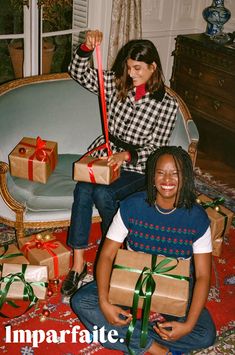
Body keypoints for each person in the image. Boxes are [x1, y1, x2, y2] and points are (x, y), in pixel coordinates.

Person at [61, 30, 179, 296]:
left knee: (103, 192)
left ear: (153, 67)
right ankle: (78, 264)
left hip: (138, 166)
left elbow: (158, 150)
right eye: (128, 67)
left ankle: (111, 253)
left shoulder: (166, 105)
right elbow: (77, 71)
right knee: (83, 188)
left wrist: (126, 156)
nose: (132, 73)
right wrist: (86, 48)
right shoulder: (116, 84)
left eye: (138, 68)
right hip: (106, 153)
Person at [71, 146, 216, 355]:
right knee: (82, 301)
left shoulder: (197, 217)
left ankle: (122, 335)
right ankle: (154, 347)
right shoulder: (132, 206)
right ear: (152, 175)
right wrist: (104, 302)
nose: (167, 179)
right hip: (131, 276)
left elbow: (203, 276)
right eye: (161, 172)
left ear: (185, 176)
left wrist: (188, 325)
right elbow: (107, 255)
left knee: (204, 334)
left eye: (175, 173)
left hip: (175, 282)